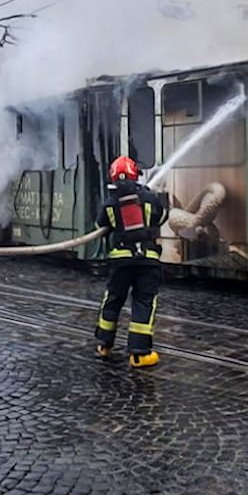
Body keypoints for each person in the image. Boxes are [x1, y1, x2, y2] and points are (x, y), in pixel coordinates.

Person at [95, 155, 167, 368]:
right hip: (147, 261)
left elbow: (100, 224)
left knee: (113, 300)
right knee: (144, 302)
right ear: (136, 174)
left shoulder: (110, 202)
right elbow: (161, 217)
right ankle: (139, 354)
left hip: (121, 263)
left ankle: (104, 345)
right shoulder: (148, 197)